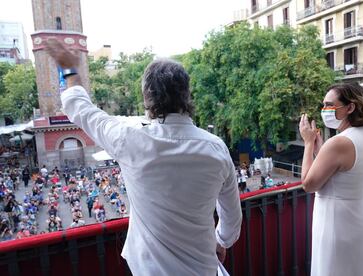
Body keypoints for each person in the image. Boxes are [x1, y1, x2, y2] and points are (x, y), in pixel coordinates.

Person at [46, 39, 242, 275]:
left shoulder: (130, 139)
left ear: (147, 99)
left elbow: (80, 107)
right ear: (187, 95)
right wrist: (221, 240)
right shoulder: (216, 148)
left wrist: (69, 70)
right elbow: (232, 217)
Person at [299, 83, 363, 276]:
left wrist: (308, 144)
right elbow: (346, 171)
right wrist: (322, 151)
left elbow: (308, 184)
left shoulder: (339, 142)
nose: (324, 110)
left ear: (350, 107)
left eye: (329, 105)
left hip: (339, 226)